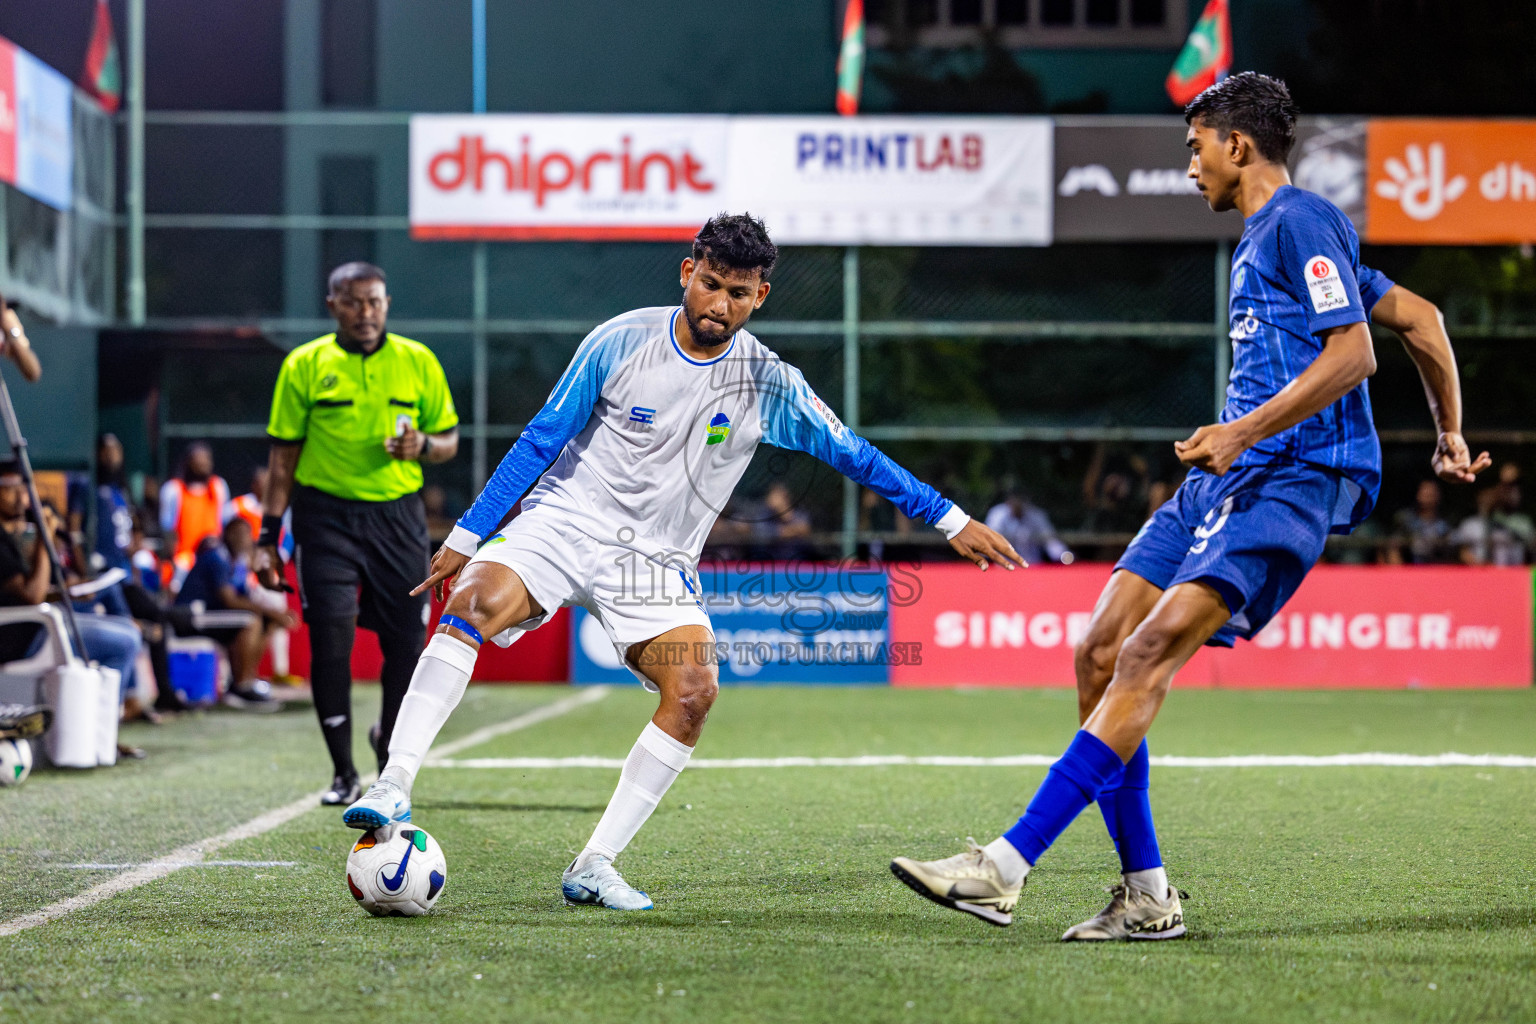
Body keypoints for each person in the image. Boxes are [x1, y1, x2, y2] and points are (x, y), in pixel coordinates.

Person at [890, 73, 1491, 939]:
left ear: (1237, 145)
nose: (1189, 166)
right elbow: (1423, 320)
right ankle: (1146, 895)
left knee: (1146, 652)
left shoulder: (1299, 218)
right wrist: (1447, 434)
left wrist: (1243, 431)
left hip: (1290, 476)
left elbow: (1356, 354)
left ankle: (1003, 866)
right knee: (1098, 651)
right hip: (1224, 479)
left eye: (1194, 147)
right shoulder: (1273, 239)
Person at [344, 213, 1023, 911]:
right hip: (568, 517)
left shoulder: (769, 383)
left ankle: (595, 863)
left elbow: (854, 453)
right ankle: (393, 781)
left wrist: (950, 518)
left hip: (658, 561)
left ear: (760, 296)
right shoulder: (620, 340)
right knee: (472, 603)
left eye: (737, 292)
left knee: (695, 691)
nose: (717, 305)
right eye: (708, 284)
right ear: (685, 273)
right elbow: (541, 438)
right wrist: (468, 532)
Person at [254, 261, 460, 805]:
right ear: (332, 306)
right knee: (330, 641)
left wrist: (423, 448)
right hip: (325, 519)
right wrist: (267, 537)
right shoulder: (304, 365)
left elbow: (449, 440)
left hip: (398, 517)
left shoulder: (418, 362)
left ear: (387, 304)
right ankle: (343, 771)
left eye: (374, 301)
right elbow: (281, 460)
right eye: (353, 302)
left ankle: (387, 742)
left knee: (406, 642)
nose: (365, 312)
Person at [177, 518, 295, 709]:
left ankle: (248, 680)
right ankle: (241, 686)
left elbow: (247, 597)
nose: (247, 541)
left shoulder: (237, 563)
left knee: (266, 621)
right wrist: (273, 613)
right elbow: (229, 600)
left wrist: (274, 615)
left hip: (213, 615)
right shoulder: (217, 556)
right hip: (191, 614)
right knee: (251, 621)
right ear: (229, 535)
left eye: (249, 535)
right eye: (242, 535)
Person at [159, 442, 231, 585]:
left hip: (213, 558)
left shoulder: (218, 487)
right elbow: (168, 530)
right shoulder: (173, 489)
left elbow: (223, 523)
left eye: (206, 459)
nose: (203, 463)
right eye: (198, 459)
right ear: (188, 461)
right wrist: (172, 561)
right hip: (183, 561)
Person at [1454, 463, 1534, 565]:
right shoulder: (1470, 524)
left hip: (1515, 574)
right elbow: (1462, 552)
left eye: (1510, 489)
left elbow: (1531, 548)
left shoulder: (1521, 522)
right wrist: (1482, 568)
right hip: (1482, 575)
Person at [984, 490, 1071, 565]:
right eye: (1014, 498)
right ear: (1008, 501)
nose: (1017, 502)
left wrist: (1063, 555)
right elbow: (990, 539)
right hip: (1004, 567)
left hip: (1033, 567)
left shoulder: (1037, 516)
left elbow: (1050, 542)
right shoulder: (997, 515)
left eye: (1020, 498)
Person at [1391, 480, 1452, 564]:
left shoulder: (1444, 525)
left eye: (1431, 494)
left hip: (1436, 566)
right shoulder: (1406, 520)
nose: (1428, 497)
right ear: (1418, 495)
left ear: (1438, 496)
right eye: (1425, 493)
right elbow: (1394, 546)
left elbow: (1451, 549)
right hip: (1410, 565)